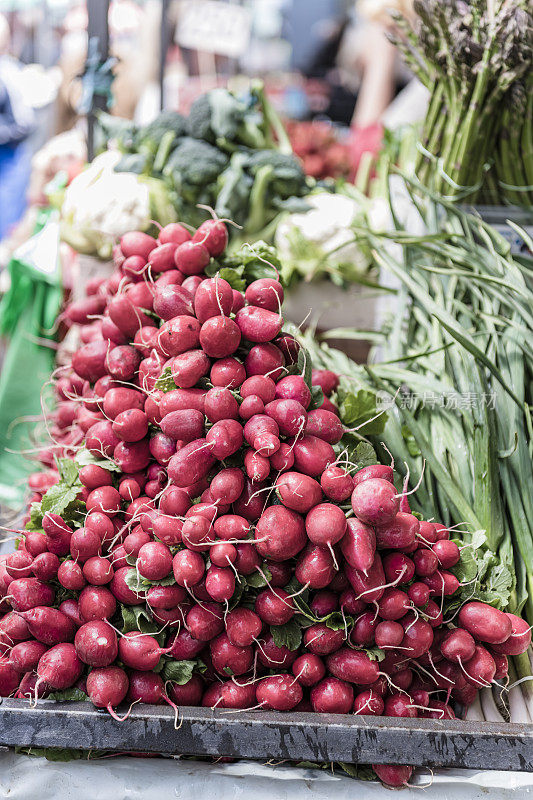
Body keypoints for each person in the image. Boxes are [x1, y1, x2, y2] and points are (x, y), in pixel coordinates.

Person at [0, 14, 35, 240]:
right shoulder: (11, 69)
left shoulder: (8, 72)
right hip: (10, 155)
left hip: (10, 157)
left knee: (8, 221)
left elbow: (23, 123)